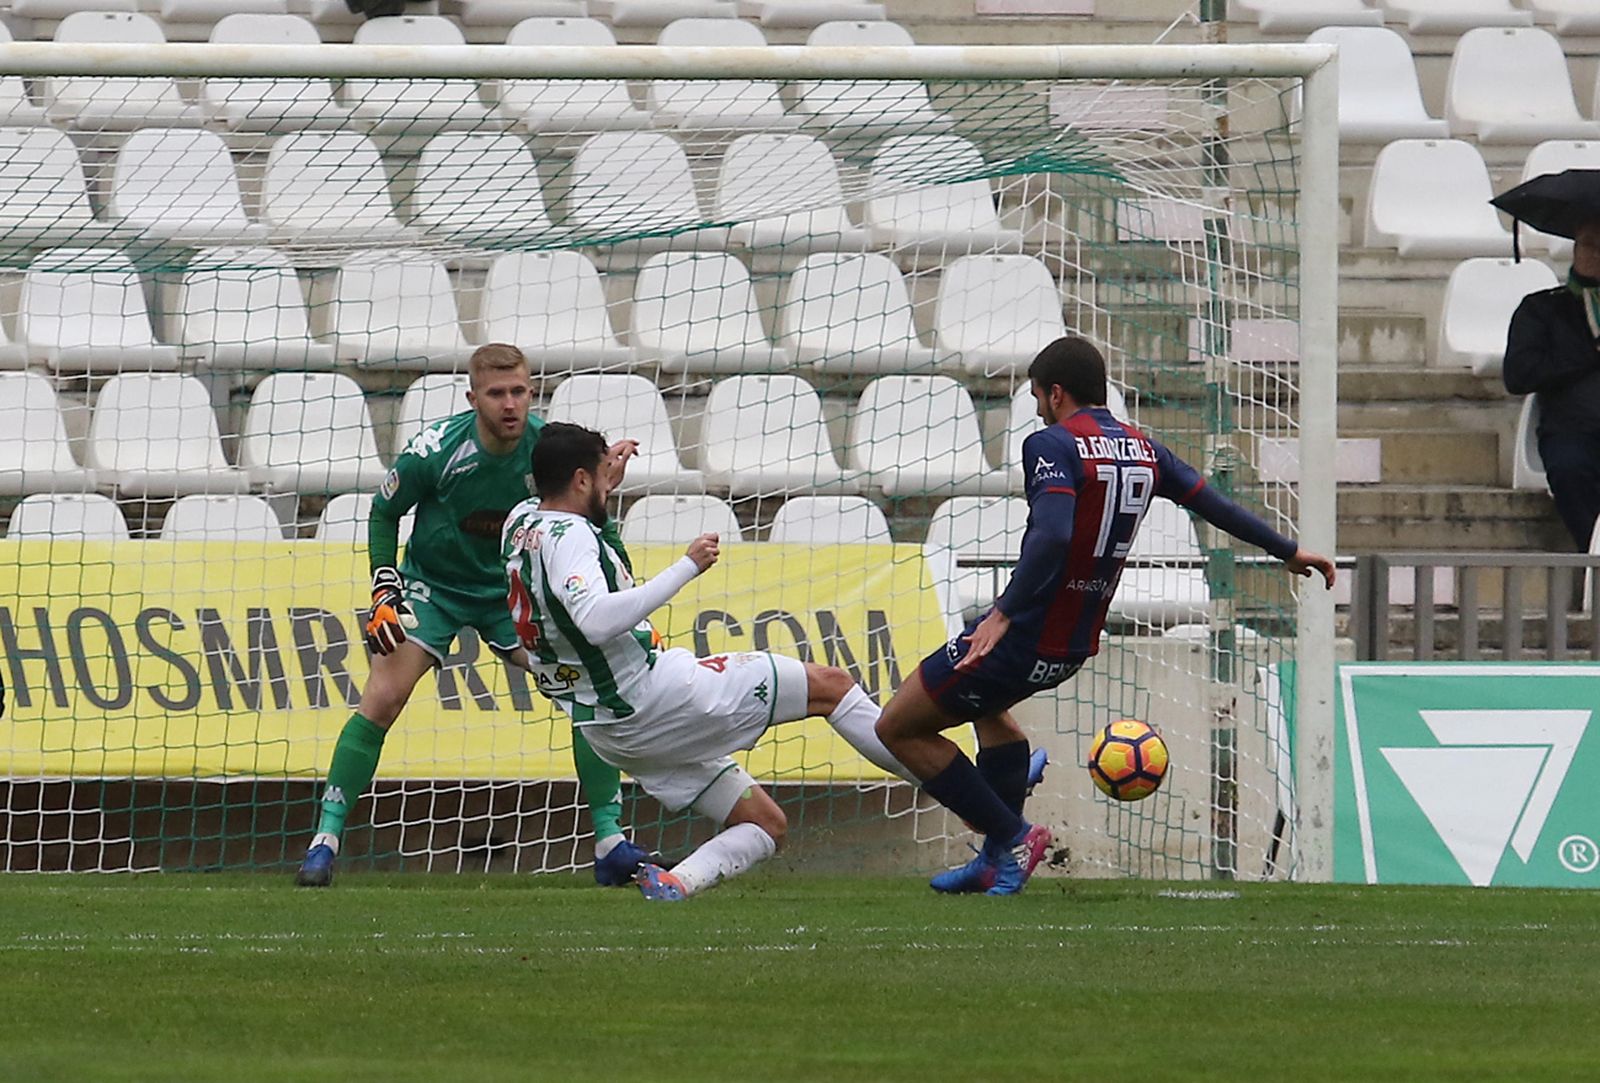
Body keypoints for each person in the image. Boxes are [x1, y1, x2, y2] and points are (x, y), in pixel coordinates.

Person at [875, 336, 1337, 895]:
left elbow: (1053, 535)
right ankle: (995, 855)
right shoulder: (1143, 449)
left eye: (1039, 396)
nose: (1040, 406)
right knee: (991, 716)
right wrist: (1286, 551)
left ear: (1058, 392)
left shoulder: (1052, 444)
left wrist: (1002, 613)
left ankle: (1012, 835)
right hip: (1071, 646)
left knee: (898, 726)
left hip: (1026, 632)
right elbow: (1214, 504)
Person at [502, 422, 916, 902]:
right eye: (600, 474)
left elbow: (578, 538)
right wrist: (687, 566)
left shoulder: (522, 519)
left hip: (612, 733)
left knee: (766, 823)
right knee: (832, 686)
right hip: (654, 699)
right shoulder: (572, 536)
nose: (608, 479)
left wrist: (598, 484)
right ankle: (961, 791)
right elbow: (595, 619)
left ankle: (677, 883)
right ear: (579, 479)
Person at [295, 344, 648, 888]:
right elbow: (386, 511)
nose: (511, 405)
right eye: (497, 393)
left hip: (513, 592)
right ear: (473, 397)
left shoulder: (546, 453)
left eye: (520, 392)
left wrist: (602, 488)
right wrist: (384, 587)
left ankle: (609, 842)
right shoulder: (436, 449)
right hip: (434, 588)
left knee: (585, 690)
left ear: (533, 392)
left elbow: (588, 518)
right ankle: (325, 839)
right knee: (383, 699)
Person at [1503, 219, 1600, 550]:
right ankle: (1594, 557)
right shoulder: (1543, 308)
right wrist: (1587, 355)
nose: (1596, 255)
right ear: (1574, 248)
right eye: (1589, 245)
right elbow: (1518, 375)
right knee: (1571, 470)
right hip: (1572, 431)